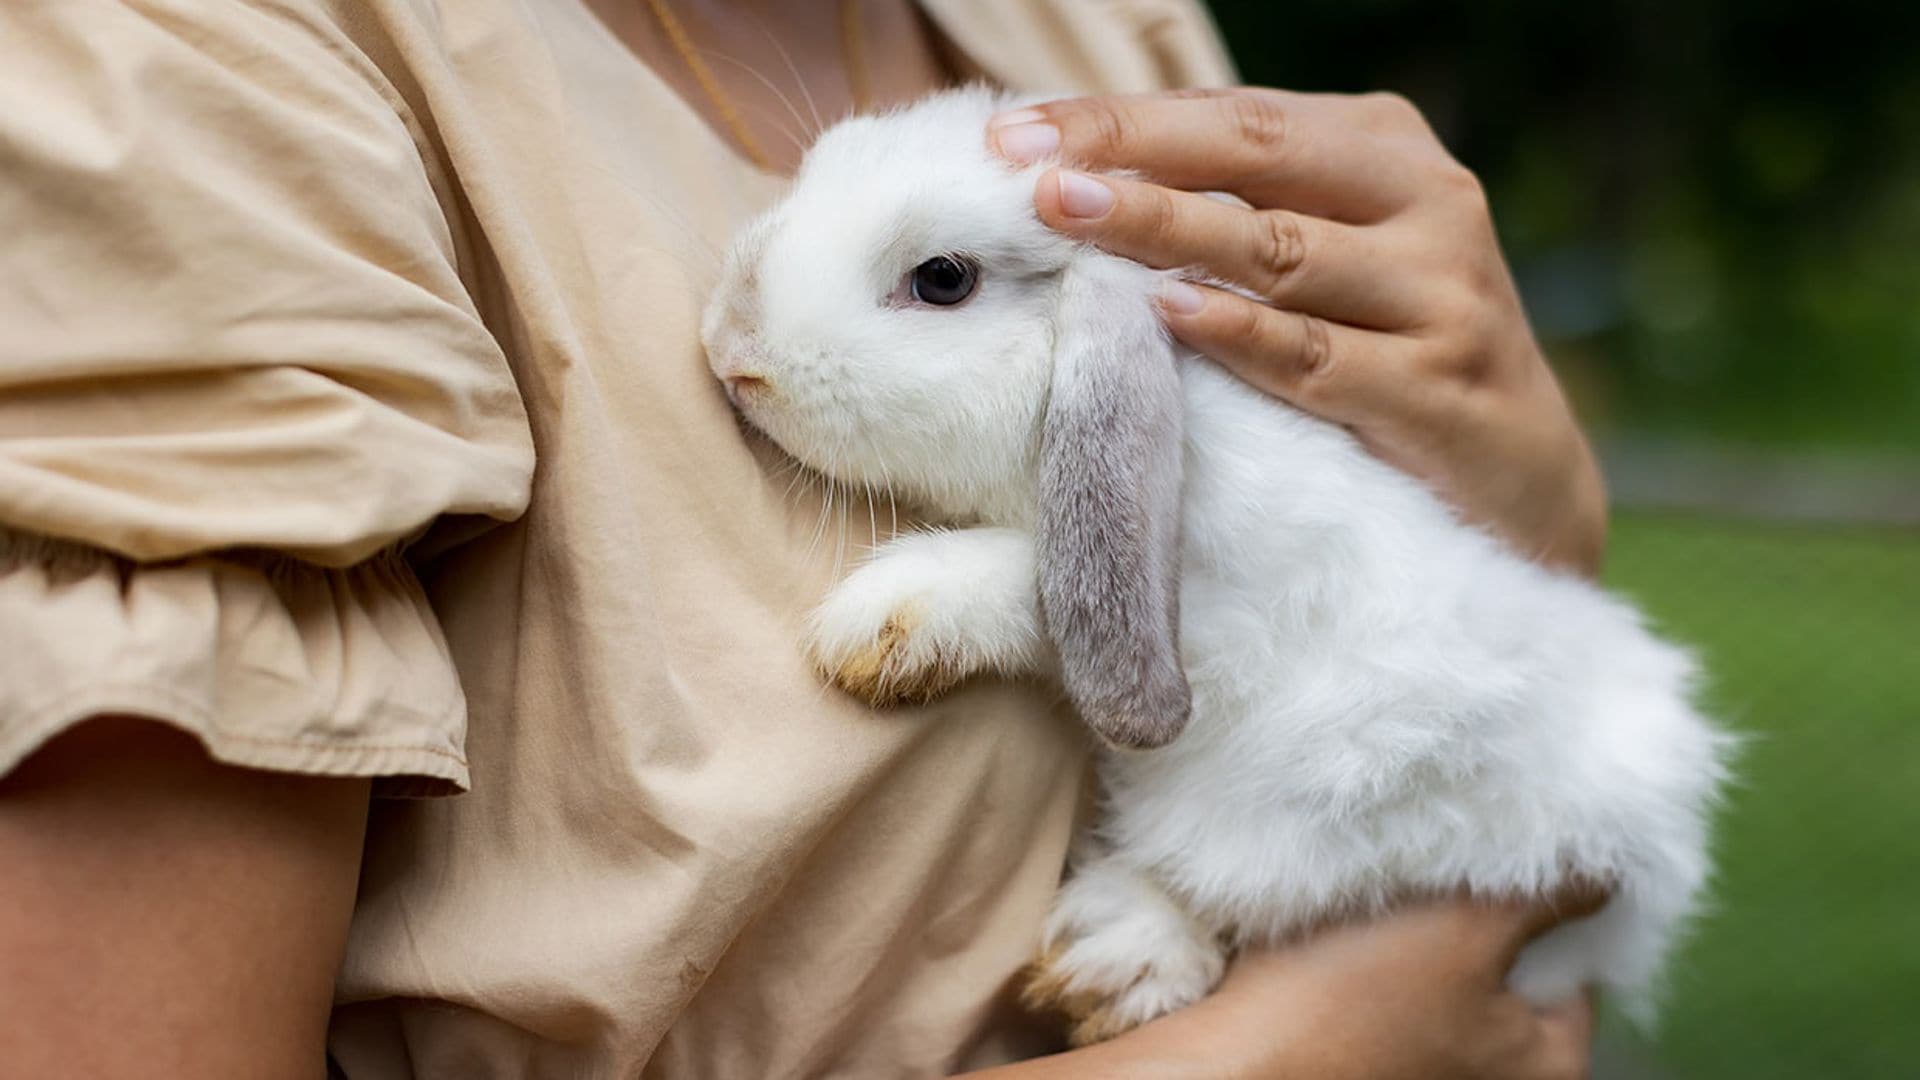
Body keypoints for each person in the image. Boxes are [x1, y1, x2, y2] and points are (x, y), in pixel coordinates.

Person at [0, 1, 1605, 1076]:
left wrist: (1536, 538)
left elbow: (1540, 883)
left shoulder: (1102, 31)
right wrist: (1309, 1044)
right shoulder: (182, 80)